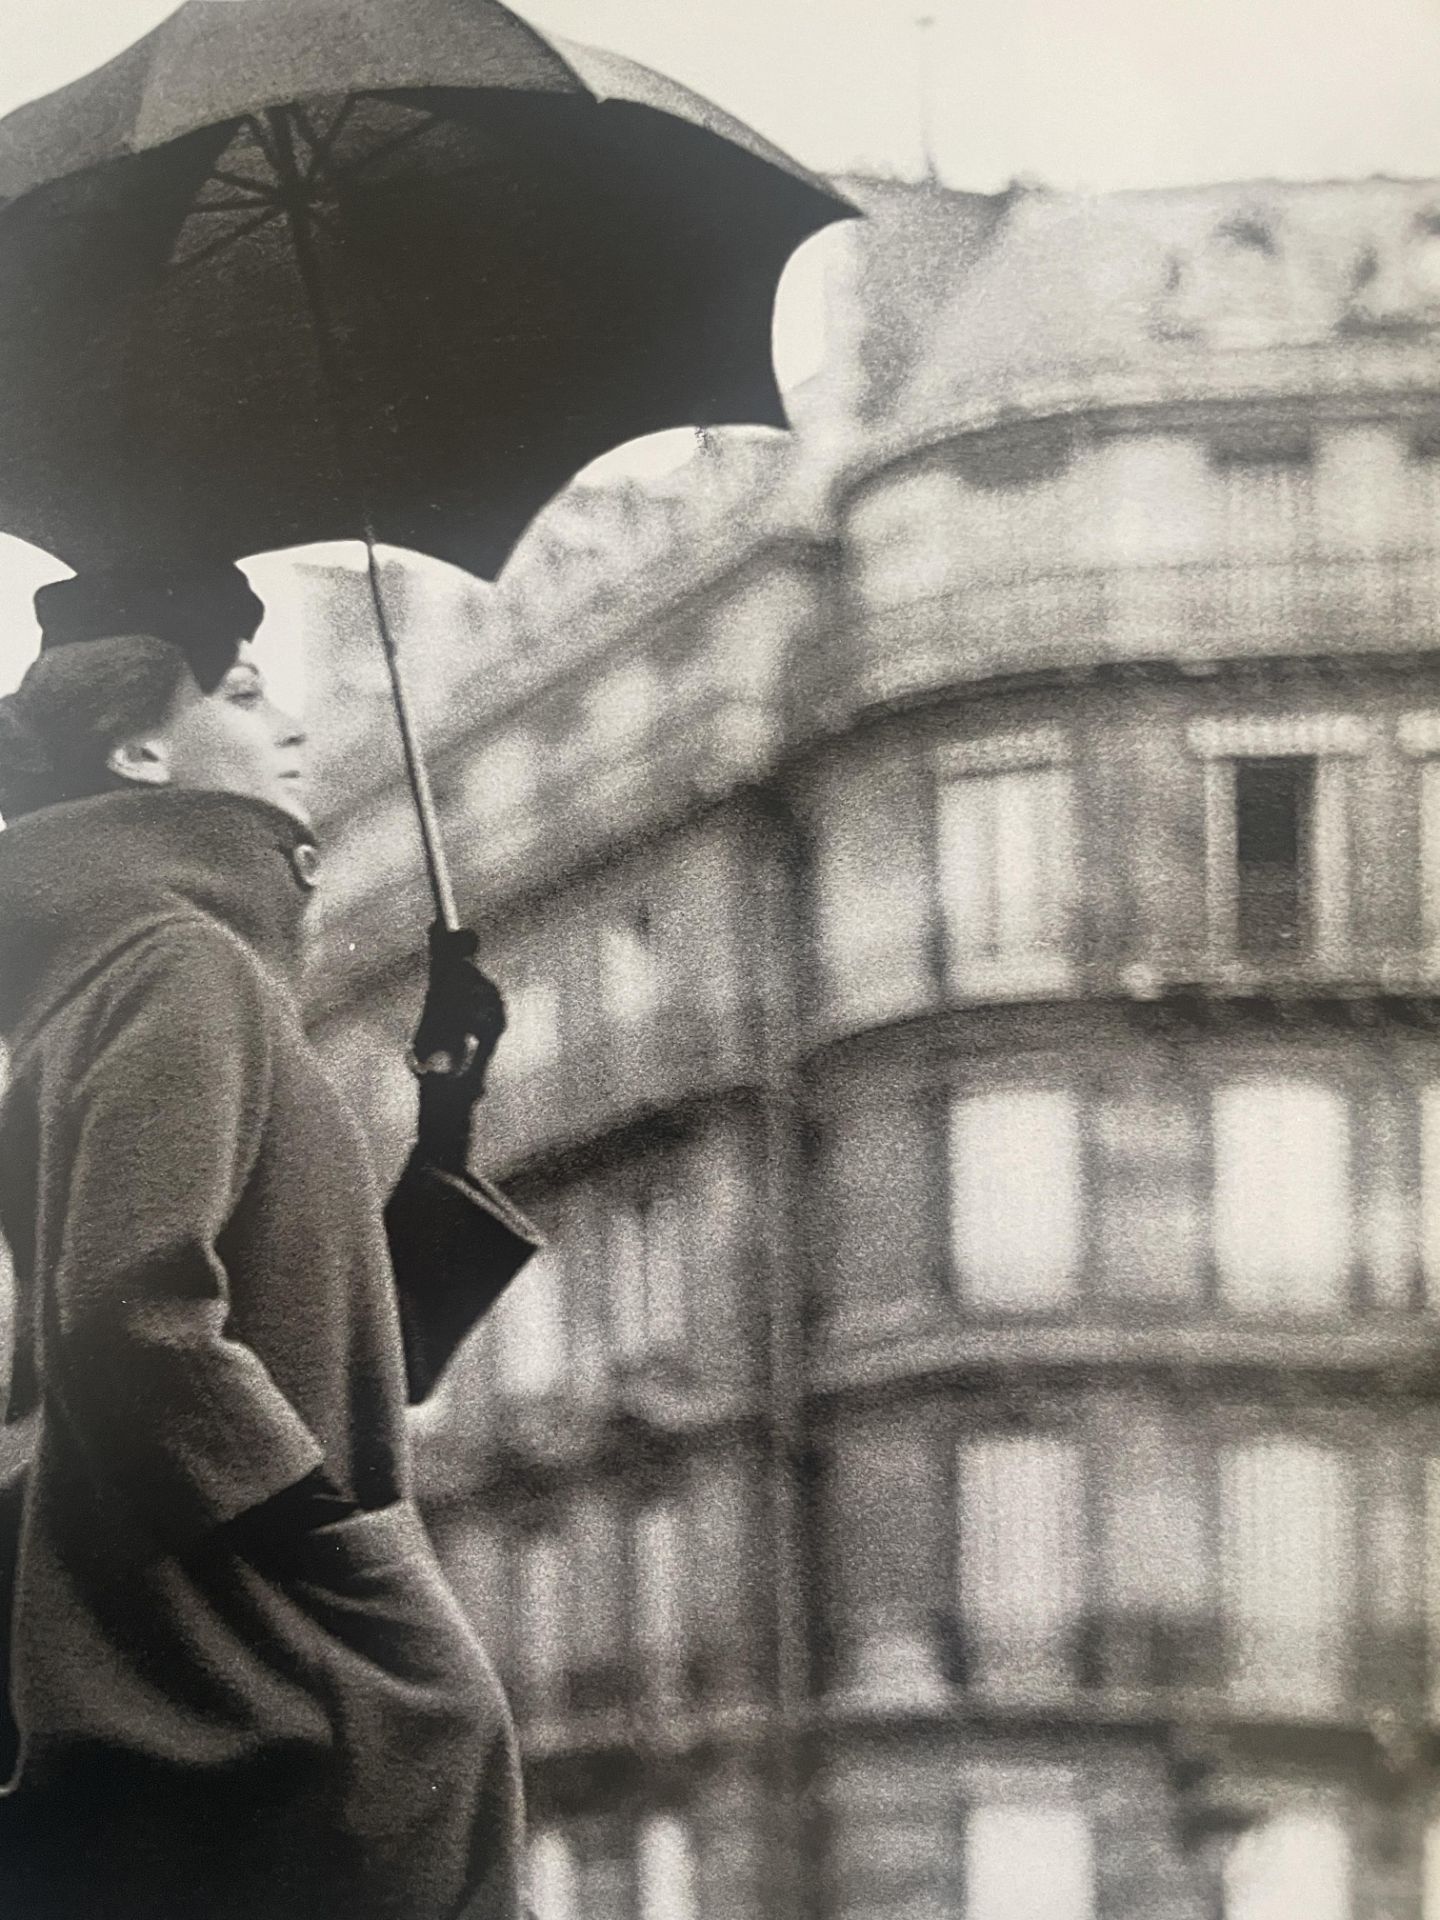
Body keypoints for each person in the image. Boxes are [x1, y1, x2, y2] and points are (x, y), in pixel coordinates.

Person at [0, 564, 540, 1920]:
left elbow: (317, 1352)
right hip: (255, 1643)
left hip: (172, 1644)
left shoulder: (102, 979)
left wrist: (445, 1122)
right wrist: (340, 1549)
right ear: (143, 753)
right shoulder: (183, 961)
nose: (290, 721)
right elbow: (133, 1318)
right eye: (242, 692)